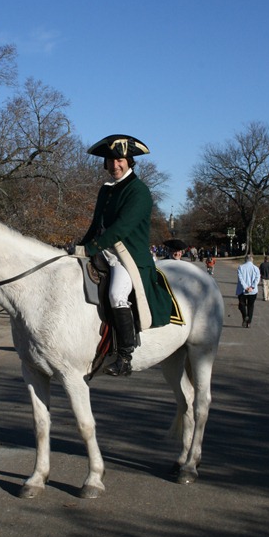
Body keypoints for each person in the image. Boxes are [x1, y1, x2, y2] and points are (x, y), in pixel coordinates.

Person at [78, 134, 172, 377]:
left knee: (116, 294)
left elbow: (121, 229)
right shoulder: (106, 190)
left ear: (130, 161)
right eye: (110, 161)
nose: (114, 165)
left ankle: (125, 356)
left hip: (127, 256)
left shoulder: (139, 191)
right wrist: (79, 248)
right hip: (103, 251)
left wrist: (92, 248)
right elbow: (95, 226)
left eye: (119, 160)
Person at [236, 254, 260, 328]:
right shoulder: (256, 268)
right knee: (250, 306)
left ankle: (245, 316)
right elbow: (257, 279)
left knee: (241, 305)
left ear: (245, 259)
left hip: (242, 290)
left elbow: (241, 279)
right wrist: (252, 287)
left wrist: (246, 287)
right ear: (252, 260)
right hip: (253, 291)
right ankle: (248, 322)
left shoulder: (241, 267)